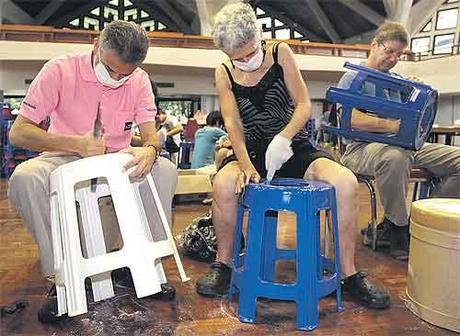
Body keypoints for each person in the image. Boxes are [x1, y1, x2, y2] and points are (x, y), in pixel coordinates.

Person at [195, 3, 390, 310]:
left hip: (293, 147)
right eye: (238, 58)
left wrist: (284, 137)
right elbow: (232, 122)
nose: (245, 61)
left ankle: (350, 274)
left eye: (249, 53)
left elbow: (303, 106)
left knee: (345, 182)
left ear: (258, 36)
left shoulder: (279, 53)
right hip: (252, 152)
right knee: (222, 185)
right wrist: (245, 165)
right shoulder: (223, 71)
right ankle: (223, 265)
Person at [7, 20, 178, 323]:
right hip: (63, 156)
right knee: (25, 177)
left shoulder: (138, 80)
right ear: (97, 45)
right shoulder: (60, 70)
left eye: (124, 74)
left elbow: (151, 136)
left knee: (163, 170)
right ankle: (62, 276)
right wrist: (75, 144)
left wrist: (150, 150)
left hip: (117, 160)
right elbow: (18, 134)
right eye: (110, 69)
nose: (115, 78)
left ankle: (143, 266)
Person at [337, 22, 460, 260]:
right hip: (361, 148)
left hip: (404, 145)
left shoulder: (398, 81)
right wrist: (392, 125)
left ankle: (423, 220)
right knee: (395, 158)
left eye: (399, 54)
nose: (393, 59)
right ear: (374, 45)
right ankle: (398, 230)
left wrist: (414, 94)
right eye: (389, 51)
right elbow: (351, 120)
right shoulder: (353, 78)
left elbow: (413, 117)